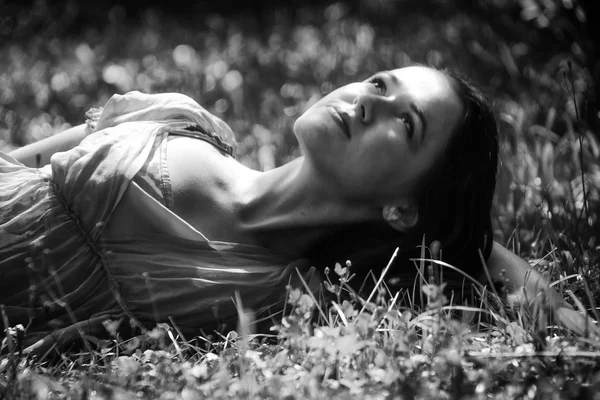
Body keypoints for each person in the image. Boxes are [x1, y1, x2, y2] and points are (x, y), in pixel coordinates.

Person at [1, 66, 567, 354]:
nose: (370, 100)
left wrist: (464, 235)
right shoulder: (177, 118)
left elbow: (489, 263)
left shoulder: (286, 293)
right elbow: (15, 167)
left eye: (405, 122)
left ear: (402, 207)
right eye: (379, 82)